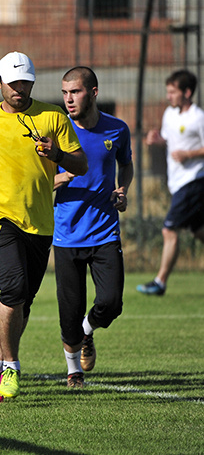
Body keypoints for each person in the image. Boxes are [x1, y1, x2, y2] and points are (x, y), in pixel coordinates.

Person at [0, 51, 87, 404]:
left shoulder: (52, 116)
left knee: (23, 304)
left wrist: (57, 154)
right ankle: (12, 365)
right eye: (13, 83)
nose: (20, 89)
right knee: (13, 290)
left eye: (26, 82)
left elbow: (81, 163)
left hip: (41, 221)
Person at [55, 66, 133, 388]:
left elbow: (126, 166)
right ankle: (74, 371)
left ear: (94, 92)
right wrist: (60, 177)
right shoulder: (57, 133)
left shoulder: (117, 130)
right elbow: (36, 181)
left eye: (75, 92)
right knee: (68, 314)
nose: (68, 99)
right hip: (66, 234)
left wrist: (122, 189)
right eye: (64, 93)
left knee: (112, 302)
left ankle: (88, 330)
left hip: (104, 231)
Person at [137, 69, 204, 296]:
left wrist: (189, 154)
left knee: (169, 230)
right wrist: (158, 140)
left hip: (193, 181)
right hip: (176, 183)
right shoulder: (169, 114)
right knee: (199, 231)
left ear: (187, 92)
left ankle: (160, 282)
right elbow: (170, 140)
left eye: (173, 92)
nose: (168, 96)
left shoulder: (198, 117)